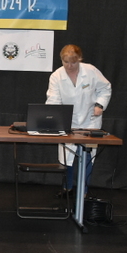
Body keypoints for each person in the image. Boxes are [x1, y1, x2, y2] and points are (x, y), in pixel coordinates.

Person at [46, 44, 112, 196]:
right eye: (66, 62)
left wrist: (100, 105)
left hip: (90, 120)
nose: (69, 66)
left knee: (88, 155)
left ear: (80, 59)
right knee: (67, 156)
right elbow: (53, 100)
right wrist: (53, 117)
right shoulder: (56, 76)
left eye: (73, 62)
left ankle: (84, 191)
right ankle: (67, 188)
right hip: (67, 121)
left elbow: (105, 88)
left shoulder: (91, 71)